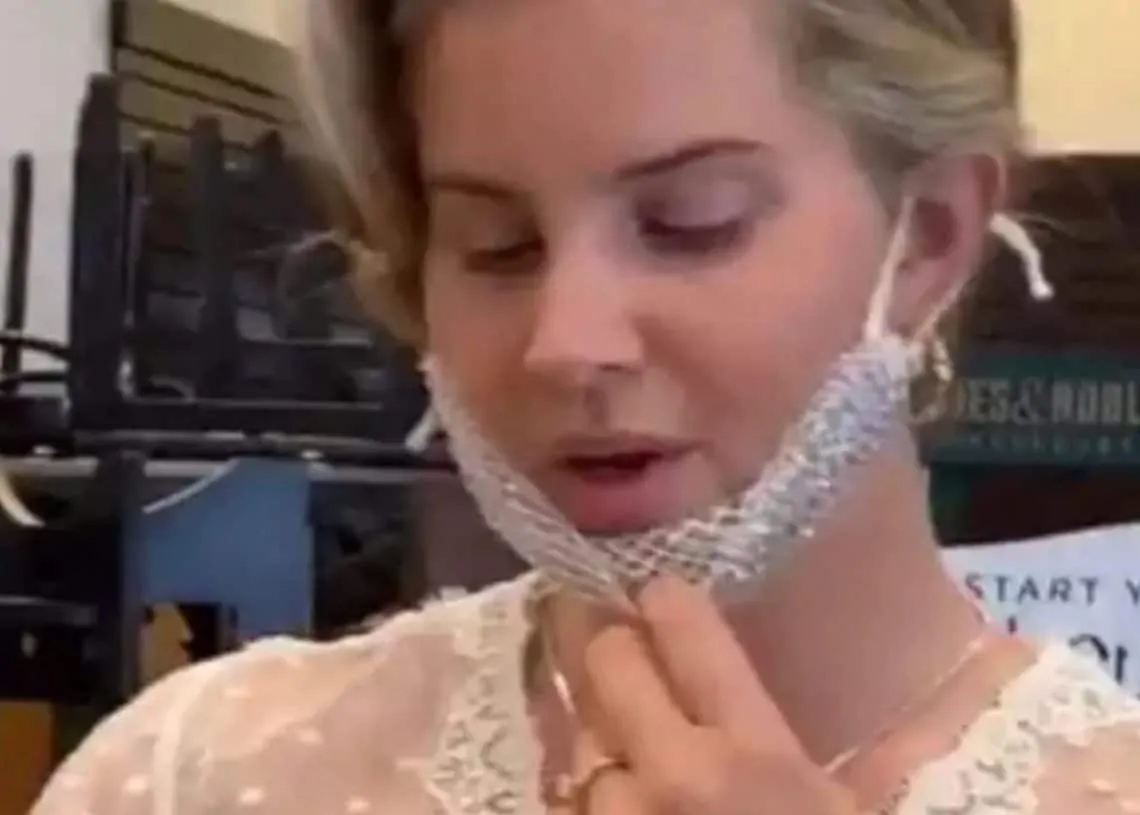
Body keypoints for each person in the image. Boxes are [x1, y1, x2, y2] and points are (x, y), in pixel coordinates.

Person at [32, 1, 1140, 813]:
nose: (567, 342)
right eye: (496, 244)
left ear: (931, 236)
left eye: (690, 223)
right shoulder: (192, 775)